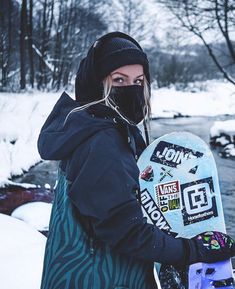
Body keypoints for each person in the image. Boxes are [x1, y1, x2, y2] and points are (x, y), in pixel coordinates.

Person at [37, 31, 235, 289]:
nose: (131, 89)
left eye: (138, 81)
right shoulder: (102, 141)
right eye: (119, 80)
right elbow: (126, 232)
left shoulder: (85, 126)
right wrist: (192, 250)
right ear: (98, 83)